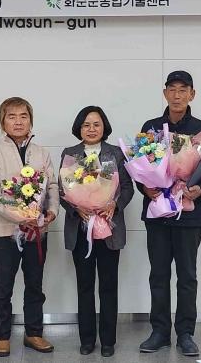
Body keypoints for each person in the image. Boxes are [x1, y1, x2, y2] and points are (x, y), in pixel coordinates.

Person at [138, 71, 201, 357]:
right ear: (165, 93)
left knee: (187, 276)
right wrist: (145, 188)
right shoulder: (151, 127)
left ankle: (186, 334)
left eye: (183, 90)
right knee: (158, 275)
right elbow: (140, 167)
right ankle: (160, 332)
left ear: (192, 94)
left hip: (189, 215)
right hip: (158, 214)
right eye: (172, 89)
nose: (177, 95)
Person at [0, 97, 59, 357]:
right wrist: (19, 217)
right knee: (3, 285)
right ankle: (2, 335)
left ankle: (34, 332)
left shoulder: (42, 153)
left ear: (30, 121)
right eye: (11, 116)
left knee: (35, 284)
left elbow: (52, 186)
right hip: (4, 232)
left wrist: (51, 211)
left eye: (23, 116)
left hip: (37, 231)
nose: (18, 121)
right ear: (2, 121)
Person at [60, 106, 134, 358]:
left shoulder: (116, 153)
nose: (91, 129)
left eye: (96, 124)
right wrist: (75, 206)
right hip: (80, 229)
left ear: (104, 127)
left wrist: (115, 204)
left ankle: (109, 341)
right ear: (79, 128)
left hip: (108, 228)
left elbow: (127, 188)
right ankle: (87, 339)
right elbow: (63, 190)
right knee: (84, 286)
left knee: (108, 285)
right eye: (86, 125)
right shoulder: (70, 154)